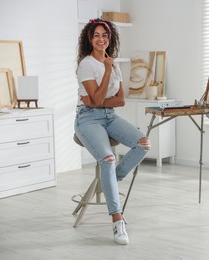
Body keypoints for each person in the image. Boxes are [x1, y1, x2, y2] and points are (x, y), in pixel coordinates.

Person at [74, 18, 151, 245]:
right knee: (107, 158)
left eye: (105, 35)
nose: (101, 39)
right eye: (96, 35)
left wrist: (97, 101)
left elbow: (120, 101)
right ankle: (118, 221)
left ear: (110, 38)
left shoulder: (113, 63)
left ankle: (113, 179)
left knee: (144, 143)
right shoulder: (86, 64)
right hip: (87, 119)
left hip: (109, 117)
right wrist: (106, 72)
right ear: (90, 38)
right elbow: (96, 100)